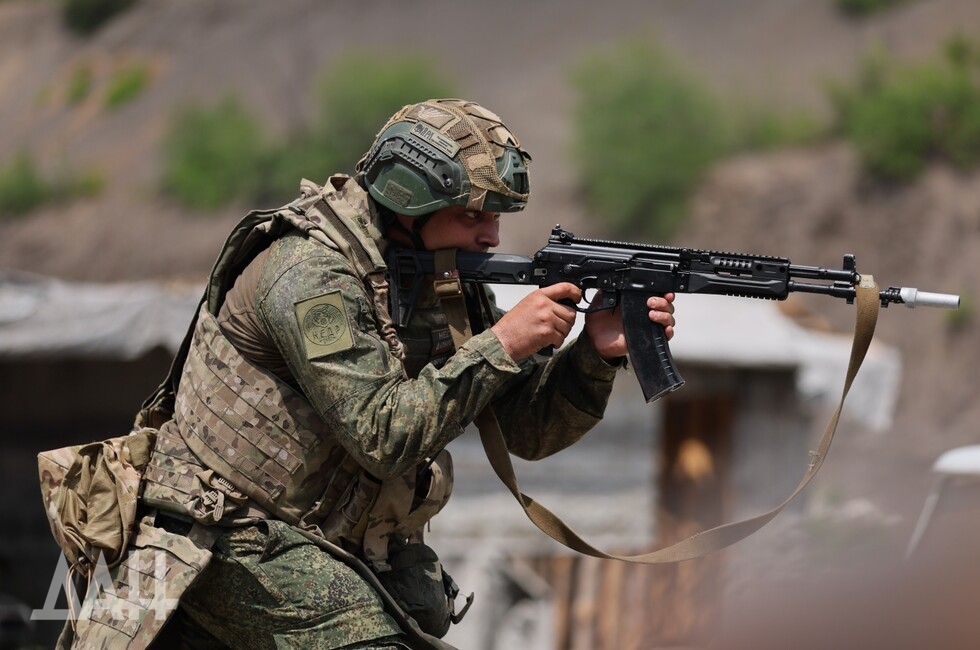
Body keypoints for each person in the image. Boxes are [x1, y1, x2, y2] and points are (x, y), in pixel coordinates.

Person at [138, 98, 675, 650]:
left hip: (328, 544)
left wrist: (595, 354)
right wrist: (505, 341)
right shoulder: (308, 275)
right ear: (408, 201)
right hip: (224, 537)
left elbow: (529, 432)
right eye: (473, 215)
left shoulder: (442, 280)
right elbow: (381, 436)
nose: (491, 237)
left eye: (494, 217)